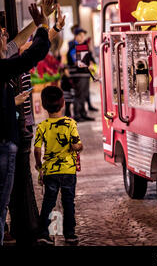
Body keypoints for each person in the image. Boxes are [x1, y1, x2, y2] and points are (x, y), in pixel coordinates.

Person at [0, 3, 51, 246]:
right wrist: (41, 24)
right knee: (1, 206)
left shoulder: (4, 58)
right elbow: (33, 53)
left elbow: (19, 42)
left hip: (8, 141)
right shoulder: (2, 66)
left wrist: (40, 22)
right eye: (1, 35)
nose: (6, 38)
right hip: (4, 144)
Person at [34, 86, 83, 245]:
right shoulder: (70, 123)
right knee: (68, 201)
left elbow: (36, 149)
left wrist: (39, 165)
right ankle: (70, 234)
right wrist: (78, 147)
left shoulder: (42, 126)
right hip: (68, 170)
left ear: (43, 105)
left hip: (50, 171)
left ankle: (43, 233)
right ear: (63, 103)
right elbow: (77, 145)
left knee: (49, 201)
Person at [66, 28, 95, 122]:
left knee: (84, 94)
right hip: (78, 75)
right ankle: (77, 115)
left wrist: (89, 62)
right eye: (81, 35)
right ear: (76, 36)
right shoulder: (73, 46)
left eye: (83, 36)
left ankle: (83, 113)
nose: (83, 37)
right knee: (79, 94)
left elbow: (87, 59)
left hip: (84, 74)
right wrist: (87, 64)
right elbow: (77, 61)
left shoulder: (82, 46)